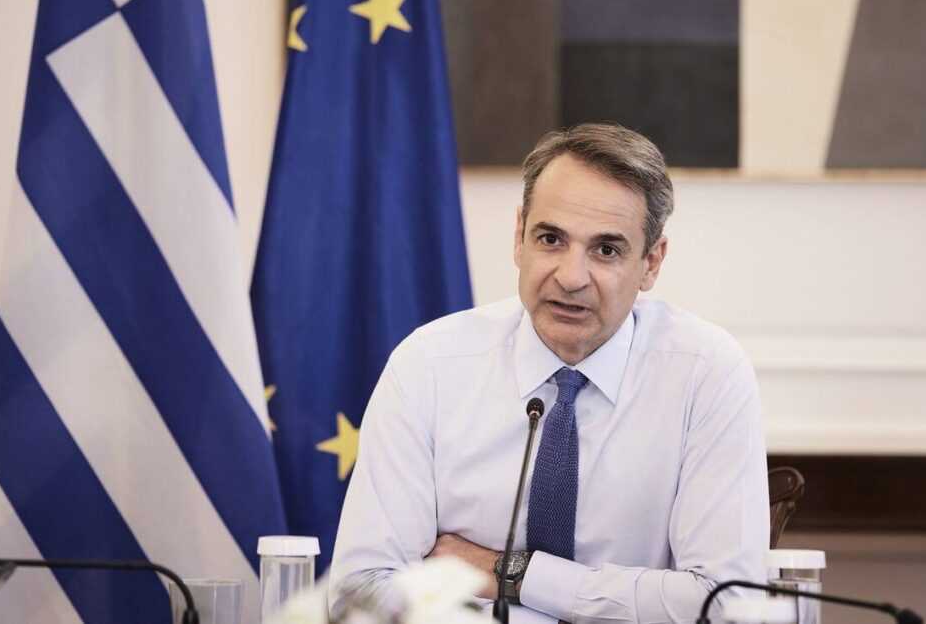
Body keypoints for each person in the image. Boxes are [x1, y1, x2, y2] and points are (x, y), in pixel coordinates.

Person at [329, 123, 769, 623]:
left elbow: (727, 604)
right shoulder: (429, 365)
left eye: (606, 250)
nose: (571, 277)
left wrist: (513, 574)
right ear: (519, 238)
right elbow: (360, 590)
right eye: (551, 239)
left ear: (651, 262)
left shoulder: (705, 374)